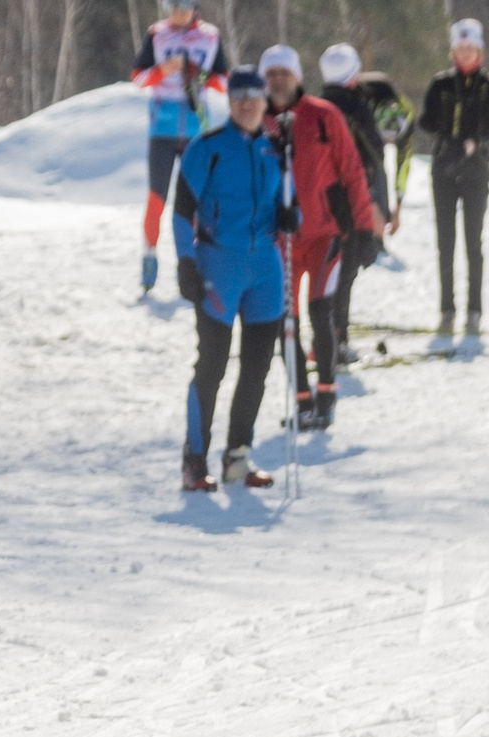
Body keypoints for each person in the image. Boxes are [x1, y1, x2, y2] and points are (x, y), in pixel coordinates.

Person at [174, 65, 294, 492]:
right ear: (230, 101)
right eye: (239, 96)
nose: (247, 103)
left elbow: (284, 200)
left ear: (265, 102)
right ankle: (195, 460)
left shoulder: (275, 149)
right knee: (212, 365)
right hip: (218, 269)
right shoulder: (206, 147)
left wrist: (288, 214)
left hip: (265, 268)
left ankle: (237, 456)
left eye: (254, 96)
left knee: (257, 367)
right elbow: (181, 211)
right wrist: (186, 262)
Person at [262, 45, 377, 431]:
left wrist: (365, 228)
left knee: (320, 312)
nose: (278, 80)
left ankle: (327, 396)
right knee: (285, 321)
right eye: (271, 74)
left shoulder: (323, 115)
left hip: (325, 234)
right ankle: (303, 400)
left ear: (297, 76)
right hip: (279, 241)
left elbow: (353, 171)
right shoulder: (258, 119)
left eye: (285, 73)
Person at [315, 43, 410, 364]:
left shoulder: (314, 105)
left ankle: (320, 337)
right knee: (346, 271)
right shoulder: (358, 107)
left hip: (319, 200)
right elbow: (375, 153)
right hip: (351, 199)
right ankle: (337, 340)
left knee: (322, 269)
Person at [132, 3, 227, 293]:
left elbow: (223, 82)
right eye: (170, 6)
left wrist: (196, 74)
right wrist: (164, 70)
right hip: (162, 129)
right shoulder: (157, 34)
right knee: (156, 198)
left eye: (182, 6)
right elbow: (138, 79)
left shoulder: (210, 36)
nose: (177, 13)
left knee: (195, 200)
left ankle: (194, 260)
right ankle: (149, 256)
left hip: (196, 128)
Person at [419, 18, 489, 335]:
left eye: (471, 48)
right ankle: (446, 308)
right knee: (445, 241)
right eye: (460, 48)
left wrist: (472, 142)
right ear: (453, 51)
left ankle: (475, 310)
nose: (465, 54)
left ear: (479, 49)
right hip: (444, 166)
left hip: (476, 168)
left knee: (472, 239)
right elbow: (426, 121)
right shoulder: (440, 84)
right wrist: (446, 137)